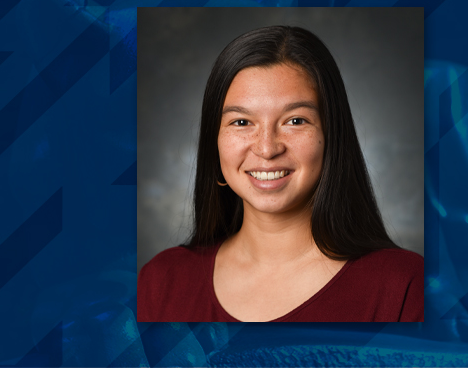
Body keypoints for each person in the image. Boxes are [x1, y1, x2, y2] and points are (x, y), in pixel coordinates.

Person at [137, 26, 423, 322]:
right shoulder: (161, 283)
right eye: (241, 122)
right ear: (215, 142)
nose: (267, 148)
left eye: (295, 120)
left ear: (332, 136)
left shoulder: (404, 286)